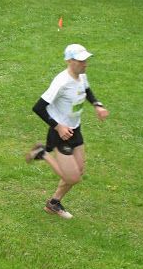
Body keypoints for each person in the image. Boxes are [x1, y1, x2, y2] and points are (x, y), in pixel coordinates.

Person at [25, 44, 110, 219]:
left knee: (79, 171)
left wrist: (97, 105)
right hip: (60, 134)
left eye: (85, 60)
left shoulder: (81, 76)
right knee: (73, 178)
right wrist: (58, 127)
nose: (85, 64)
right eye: (80, 61)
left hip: (75, 130)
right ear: (69, 61)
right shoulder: (61, 82)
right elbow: (38, 107)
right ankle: (42, 153)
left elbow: (86, 90)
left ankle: (54, 203)